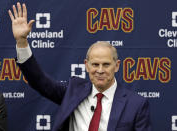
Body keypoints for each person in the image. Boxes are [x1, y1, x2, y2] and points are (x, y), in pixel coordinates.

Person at [8, 2, 151, 131]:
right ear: (86, 66)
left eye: (106, 64)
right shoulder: (73, 90)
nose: (100, 70)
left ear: (117, 66)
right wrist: (21, 42)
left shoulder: (136, 104)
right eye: (95, 64)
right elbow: (39, 81)